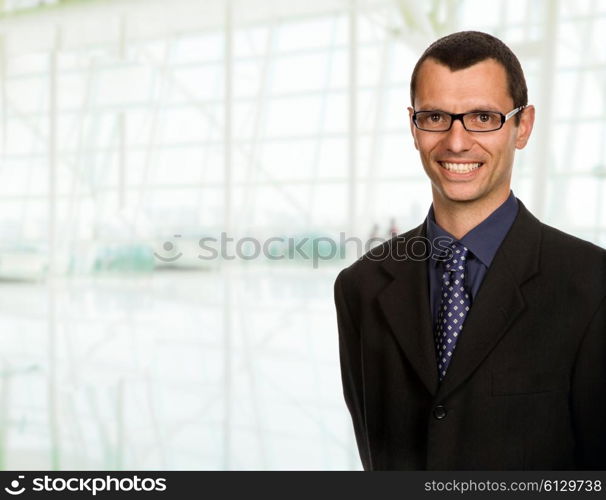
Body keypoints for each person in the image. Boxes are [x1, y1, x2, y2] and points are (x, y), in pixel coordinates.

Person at [334, 31, 606, 470]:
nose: (457, 142)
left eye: (483, 117)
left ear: (524, 126)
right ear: (413, 127)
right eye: (436, 117)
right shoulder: (360, 289)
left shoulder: (593, 285)